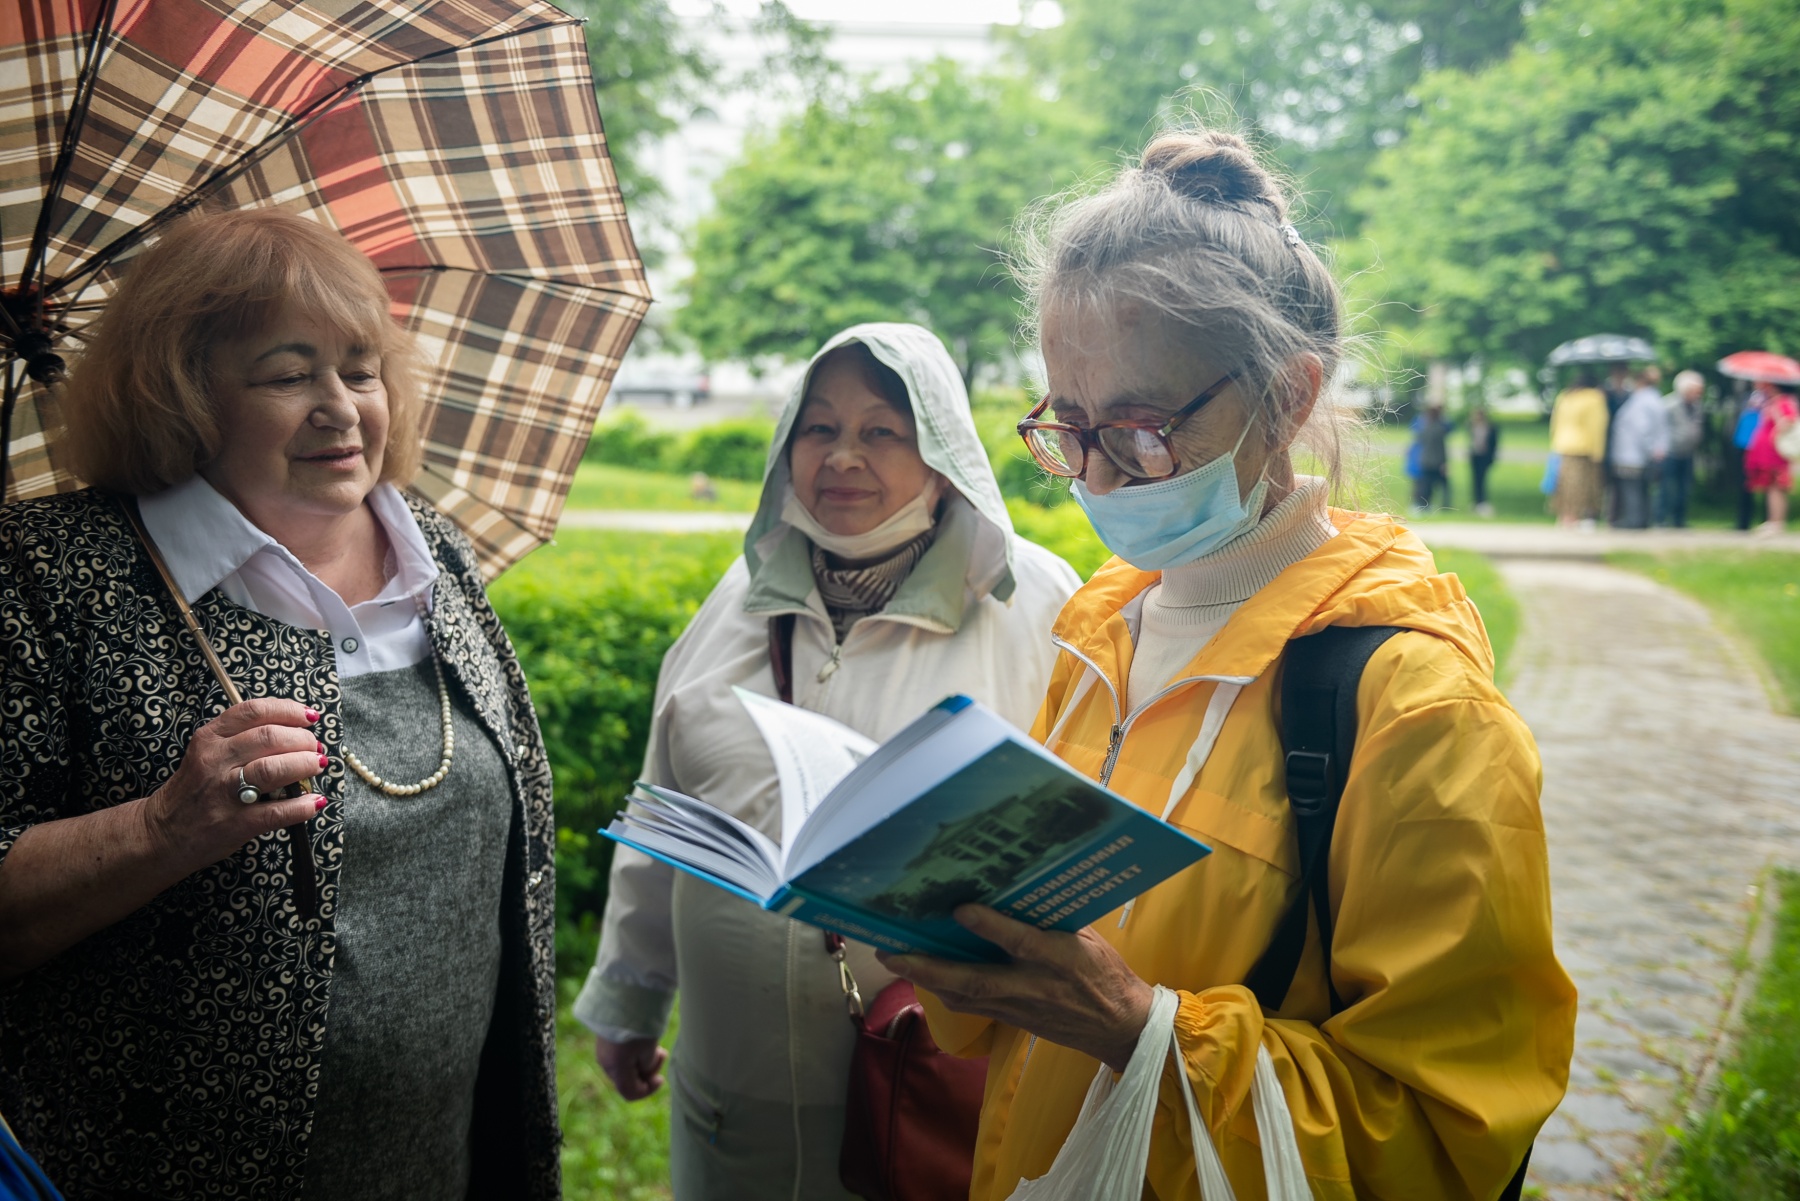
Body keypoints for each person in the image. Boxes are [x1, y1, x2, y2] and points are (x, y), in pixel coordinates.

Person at [889, 128, 1575, 1200]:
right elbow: (1008, 1025)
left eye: (1142, 428)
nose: (1099, 477)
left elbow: (1450, 1134)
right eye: (1066, 425)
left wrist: (1141, 1032)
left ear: (1290, 397)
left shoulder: (1413, 706)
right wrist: (944, 934)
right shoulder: (1101, 628)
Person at [0, 210, 560, 1199]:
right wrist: (163, 827)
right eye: (289, 373)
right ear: (183, 395)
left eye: (361, 366)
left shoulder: (434, 545)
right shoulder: (48, 576)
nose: (342, 408)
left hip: (445, 1159)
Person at [573, 324, 1081, 1199]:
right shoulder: (739, 597)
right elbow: (664, 808)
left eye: (882, 431)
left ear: (941, 450)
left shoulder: (1029, 601)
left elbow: (1083, 815)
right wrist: (629, 999)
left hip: (927, 1081)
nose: (844, 457)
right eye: (819, 428)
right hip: (736, 1088)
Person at [1609, 365, 1669, 529]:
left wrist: (1649, 450)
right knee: (1642, 489)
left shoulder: (1641, 401)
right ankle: (1642, 519)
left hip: (1633, 454)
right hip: (1641, 453)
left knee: (1632, 489)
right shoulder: (1655, 399)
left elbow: (1642, 429)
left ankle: (1634, 520)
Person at [1550, 368, 1610, 528]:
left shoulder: (1564, 396)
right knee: (1584, 485)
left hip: (1563, 445)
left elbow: (1555, 422)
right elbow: (1596, 426)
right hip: (1584, 447)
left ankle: (1566, 516)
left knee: (1566, 484)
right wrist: (1599, 452)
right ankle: (1583, 516)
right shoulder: (1594, 398)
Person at [1744, 383, 1799, 535]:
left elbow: (1789, 421)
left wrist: (1776, 421)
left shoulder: (1784, 401)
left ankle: (1777, 522)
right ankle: (1773, 520)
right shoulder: (1774, 402)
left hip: (1776, 453)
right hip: (1768, 453)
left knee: (1777, 487)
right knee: (1771, 486)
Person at [1658, 371, 1705, 527]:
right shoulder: (1668, 404)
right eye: (1695, 391)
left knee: (1684, 488)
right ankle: (1661, 519)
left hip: (1688, 452)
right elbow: (1660, 429)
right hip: (1670, 452)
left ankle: (1679, 520)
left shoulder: (1697, 406)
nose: (1698, 394)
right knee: (1666, 487)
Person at [1409, 399, 1452, 512]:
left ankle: (1423, 505)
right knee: (1432, 485)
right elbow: (1441, 448)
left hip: (1426, 460)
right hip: (1435, 461)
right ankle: (1435, 505)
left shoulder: (1424, 428)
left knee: (1425, 485)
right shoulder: (1439, 429)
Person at [1467, 402, 1502, 517]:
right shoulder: (1472, 426)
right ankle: (1477, 501)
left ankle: (1482, 501)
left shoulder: (1490, 427)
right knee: (1475, 479)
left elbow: (1494, 443)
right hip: (1475, 456)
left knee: (1482, 479)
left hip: (1484, 457)